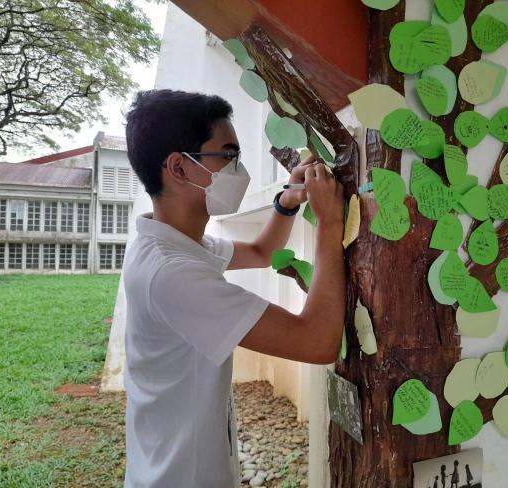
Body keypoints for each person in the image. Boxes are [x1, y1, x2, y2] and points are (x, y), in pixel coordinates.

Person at [121, 90, 345, 487]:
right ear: (179, 167)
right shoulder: (172, 273)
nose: (238, 169)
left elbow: (263, 251)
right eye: (227, 156)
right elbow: (317, 342)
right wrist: (329, 224)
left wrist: (288, 202)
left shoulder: (174, 243)